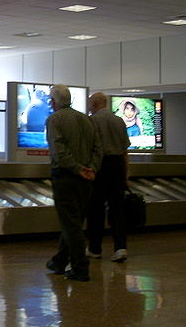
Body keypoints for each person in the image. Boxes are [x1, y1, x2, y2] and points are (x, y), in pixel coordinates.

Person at [45, 84, 102, 282]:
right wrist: (91, 168)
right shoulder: (87, 119)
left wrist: (77, 168)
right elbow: (98, 148)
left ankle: (80, 267)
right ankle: (59, 261)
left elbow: (59, 152)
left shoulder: (54, 120)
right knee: (74, 221)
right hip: (86, 179)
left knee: (71, 224)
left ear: (53, 102)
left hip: (65, 177)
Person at [85, 92, 131, 263]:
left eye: (90, 103)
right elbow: (125, 151)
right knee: (117, 209)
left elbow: (89, 148)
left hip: (100, 166)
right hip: (118, 166)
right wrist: (126, 174)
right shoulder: (119, 121)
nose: (89, 106)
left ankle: (95, 248)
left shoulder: (92, 121)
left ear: (95, 104)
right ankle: (120, 247)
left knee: (95, 208)